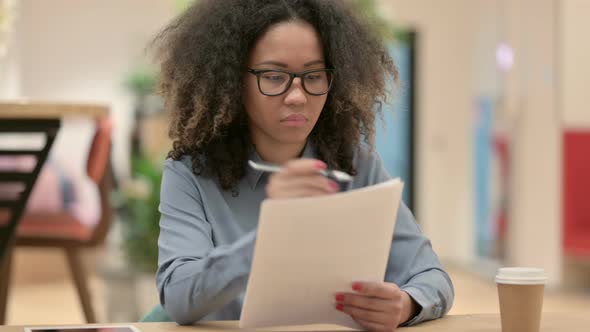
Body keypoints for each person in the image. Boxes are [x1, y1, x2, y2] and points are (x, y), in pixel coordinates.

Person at [152, 0, 454, 330]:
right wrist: (271, 235)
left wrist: (405, 304)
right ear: (234, 81)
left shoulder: (355, 166)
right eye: (273, 76)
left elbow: (431, 277)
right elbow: (179, 296)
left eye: (313, 75)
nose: (297, 96)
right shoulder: (191, 174)